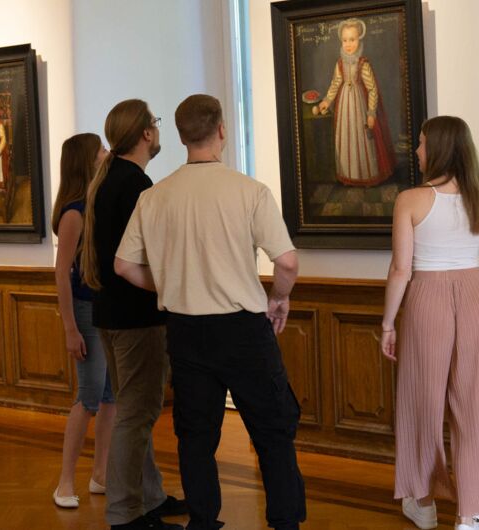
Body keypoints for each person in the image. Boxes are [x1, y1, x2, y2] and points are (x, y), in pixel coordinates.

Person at [115, 94, 307, 530]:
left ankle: (202, 522)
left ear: (182, 136)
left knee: (195, 437)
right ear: (221, 130)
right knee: (272, 431)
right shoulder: (249, 191)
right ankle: (284, 523)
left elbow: (124, 266)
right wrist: (279, 298)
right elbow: (288, 262)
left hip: (184, 331)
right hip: (242, 330)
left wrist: (171, 285)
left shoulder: (155, 197)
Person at [379, 116, 479, 530]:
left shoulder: (410, 200)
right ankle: (470, 513)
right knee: (477, 405)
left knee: (422, 402)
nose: (418, 150)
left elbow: (400, 270)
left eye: (422, 143)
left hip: (426, 298)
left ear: (438, 149)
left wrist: (389, 322)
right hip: (474, 295)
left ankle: (423, 501)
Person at [80, 99, 187, 530]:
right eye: (155, 124)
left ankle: (150, 495)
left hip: (111, 313)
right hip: (136, 317)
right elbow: (147, 259)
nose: (157, 131)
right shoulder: (136, 186)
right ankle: (126, 513)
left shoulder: (111, 181)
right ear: (145, 134)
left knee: (133, 410)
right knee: (137, 414)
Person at [51, 133, 117, 509]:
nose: (106, 153)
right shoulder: (74, 211)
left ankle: (101, 474)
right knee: (89, 397)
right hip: (85, 311)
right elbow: (62, 273)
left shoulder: (93, 203)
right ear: (87, 160)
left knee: (110, 397)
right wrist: (70, 328)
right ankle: (64, 483)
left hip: (103, 308)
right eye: (101, 150)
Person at [314, 17, 395, 187]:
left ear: (359, 39)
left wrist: (371, 113)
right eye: (345, 40)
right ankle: (347, 174)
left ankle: (364, 176)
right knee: (345, 136)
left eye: (352, 39)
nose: (348, 44)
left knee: (361, 138)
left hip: (359, 105)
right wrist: (327, 101)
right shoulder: (339, 64)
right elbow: (336, 84)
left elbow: (372, 89)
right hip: (343, 105)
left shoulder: (363, 64)